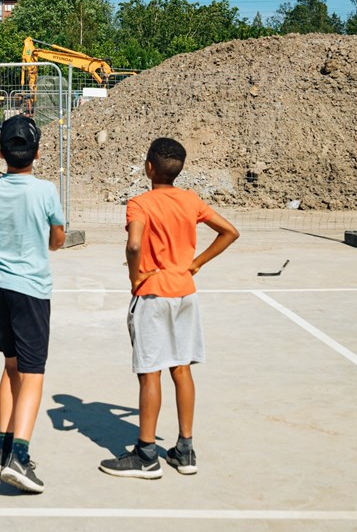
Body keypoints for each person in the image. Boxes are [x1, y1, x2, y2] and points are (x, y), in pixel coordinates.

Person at [99, 137, 239, 480]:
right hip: (185, 292)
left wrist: (135, 277)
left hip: (153, 294)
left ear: (149, 168)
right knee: (182, 368)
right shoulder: (190, 200)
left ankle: (146, 454)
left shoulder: (140, 203)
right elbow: (229, 232)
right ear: (179, 171)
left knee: (150, 372)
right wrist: (196, 263)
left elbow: (134, 245)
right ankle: (185, 449)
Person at [0, 115, 65, 493]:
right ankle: (20, 455)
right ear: (38, 153)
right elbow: (58, 237)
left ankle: (1, 448)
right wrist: (48, 242)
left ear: (1, 153)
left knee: (10, 364)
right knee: (33, 373)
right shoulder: (45, 191)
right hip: (30, 288)